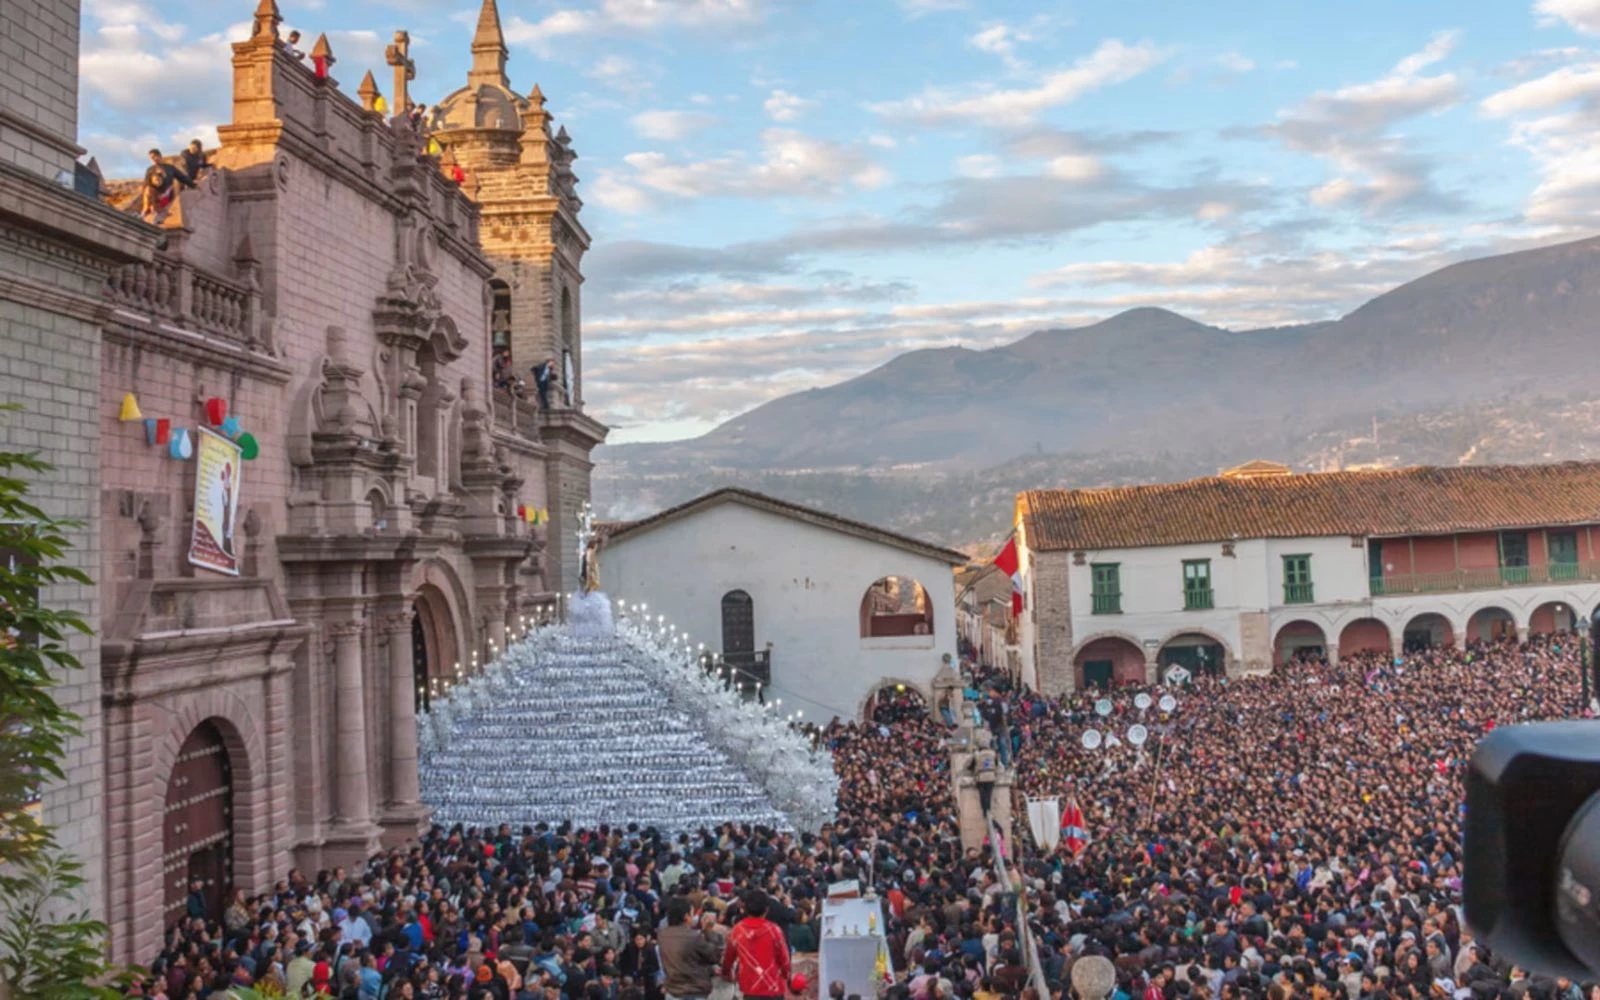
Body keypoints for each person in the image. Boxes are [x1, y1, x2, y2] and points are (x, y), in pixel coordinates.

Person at [720, 891, 791, 1000]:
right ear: (766, 909)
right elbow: (784, 960)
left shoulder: (737, 930)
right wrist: (786, 975)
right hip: (773, 987)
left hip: (749, 988)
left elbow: (728, 959)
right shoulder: (774, 930)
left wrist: (726, 973)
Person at [661, 898, 721, 1000]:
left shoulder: (662, 935)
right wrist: (709, 932)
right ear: (686, 916)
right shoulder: (693, 937)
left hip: (673, 989)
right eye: (692, 914)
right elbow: (714, 956)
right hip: (694, 990)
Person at [141, 149, 180, 220]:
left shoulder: (169, 168)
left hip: (165, 198)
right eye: (150, 158)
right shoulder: (150, 170)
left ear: (159, 156)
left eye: (153, 157)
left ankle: (155, 212)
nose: (152, 160)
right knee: (148, 190)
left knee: (158, 201)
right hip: (156, 199)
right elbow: (146, 184)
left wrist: (193, 185)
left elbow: (181, 177)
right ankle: (146, 211)